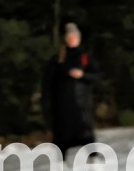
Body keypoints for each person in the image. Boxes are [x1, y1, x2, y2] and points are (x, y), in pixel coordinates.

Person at [42, 22, 100, 161]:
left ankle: (93, 159)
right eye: (69, 36)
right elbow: (48, 82)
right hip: (62, 105)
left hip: (81, 103)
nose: (72, 39)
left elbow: (96, 74)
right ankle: (59, 163)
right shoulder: (58, 59)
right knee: (62, 135)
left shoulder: (85, 56)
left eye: (74, 36)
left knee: (85, 133)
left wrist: (83, 75)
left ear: (79, 38)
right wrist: (47, 102)